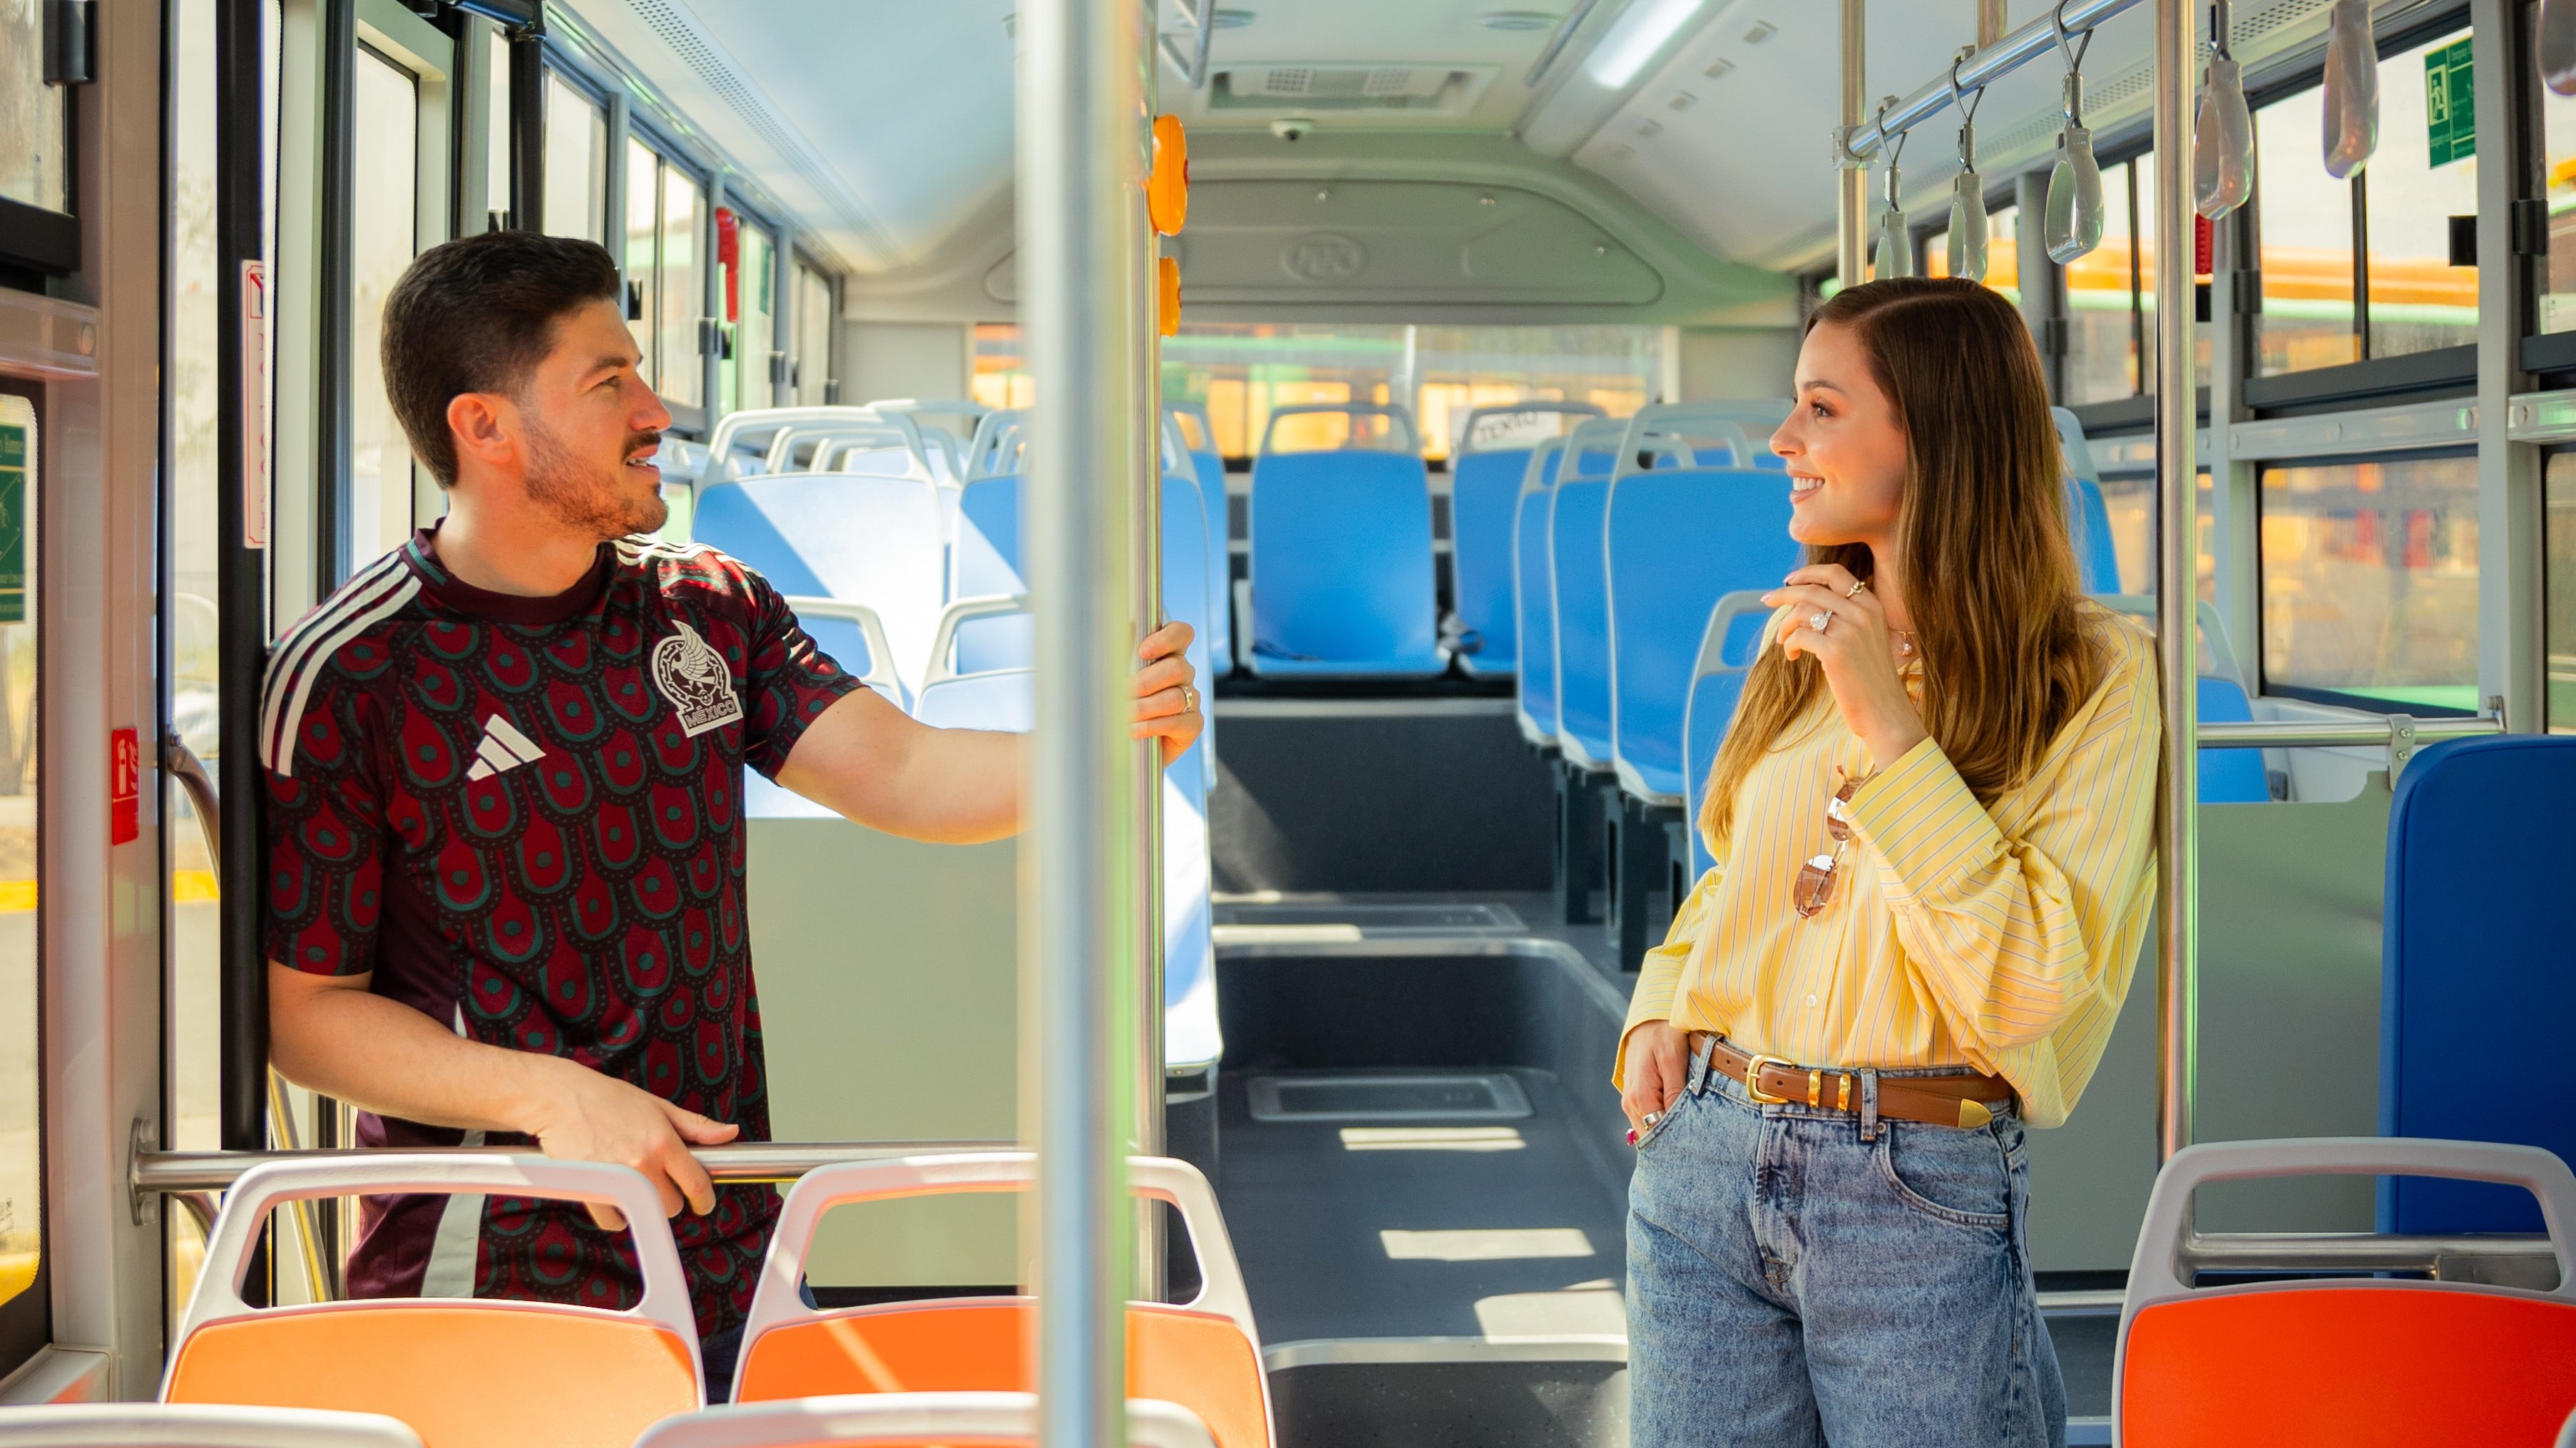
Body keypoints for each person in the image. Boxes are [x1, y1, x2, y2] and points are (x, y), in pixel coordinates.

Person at [262, 230, 1202, 1388]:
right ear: (485, 427)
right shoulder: (355, 672)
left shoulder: (706, 610)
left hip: (721, 1222)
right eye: (608, 383)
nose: (656, 410)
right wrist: (553, 1097)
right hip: (488, 1244)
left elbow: (906, 775)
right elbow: (307, 1017)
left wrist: (1100, 742)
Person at [1615, 277, 2162, 1448]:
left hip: (1915, 1185)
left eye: (1820, 407)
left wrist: (1890, 731)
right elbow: (1734, 877)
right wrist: (1663, 1006)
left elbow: (2026, 986)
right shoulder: (1801, 624)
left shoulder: (2099, 678)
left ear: (1937, 434)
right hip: (1705, 1162)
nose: (1783, 440)